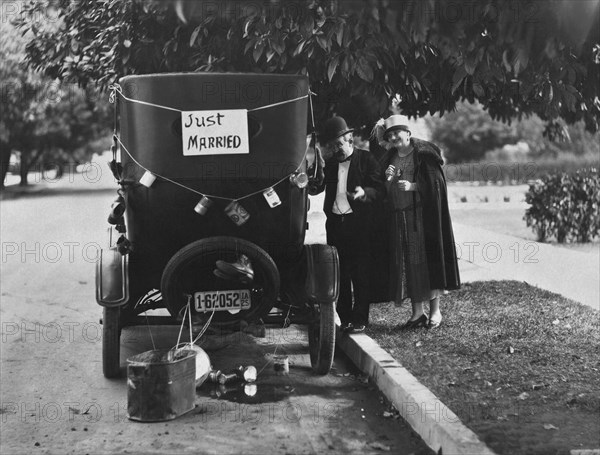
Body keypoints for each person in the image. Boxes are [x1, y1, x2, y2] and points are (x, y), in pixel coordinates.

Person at [373, 114, 460, 329]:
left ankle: (435, 312)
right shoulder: (389, 159)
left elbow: (436, 185)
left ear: (408, 133)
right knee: (410, 265)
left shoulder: (423, 155)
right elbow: (383, 190)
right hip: (399, 218)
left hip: (421, 218)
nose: (394, 138)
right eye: (390, 135)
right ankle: (417, 313)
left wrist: (413, 186)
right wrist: (389, 178)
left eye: (397, 133)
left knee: (428, 263)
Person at [309, 116, 385, 333]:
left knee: (361, 273)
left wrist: (365, 192)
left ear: (350, 140)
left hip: (358, 224)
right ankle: (344, 318)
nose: (336, 149)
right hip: (335, 224)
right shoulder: (331, 163)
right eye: (333, 145)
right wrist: (317, 168)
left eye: (339, 144)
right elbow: (317, 188)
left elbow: (379, 189)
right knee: (339, 274)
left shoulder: (367, 159)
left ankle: (360, 319)